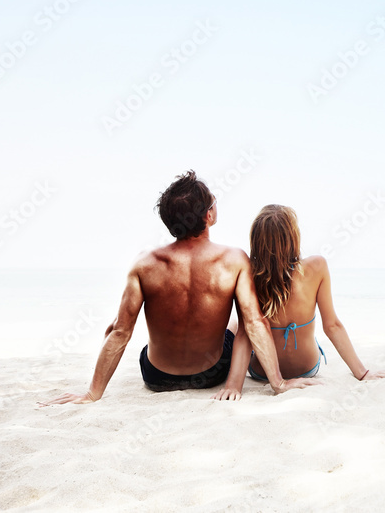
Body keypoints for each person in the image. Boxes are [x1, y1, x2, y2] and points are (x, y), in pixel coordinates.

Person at [40, 172, 313, 405]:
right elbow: (254, 323)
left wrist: (92, 393)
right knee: (236, 323)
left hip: (157, 377)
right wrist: (278, 383)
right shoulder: (233, 261)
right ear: (209, 215)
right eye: (213, 201)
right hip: (211, 374)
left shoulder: (145, 264)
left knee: (113, 326)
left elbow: (121, 332)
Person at [223, 204, 385, 386]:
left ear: (256, 241)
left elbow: (245, 335)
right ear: (293, 238)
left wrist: (234, 387)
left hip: (262, 372)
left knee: (237, 325)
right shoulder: (317, 266)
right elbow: (332, 326)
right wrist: (362, 372)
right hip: (308, 369)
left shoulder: (248, 274)